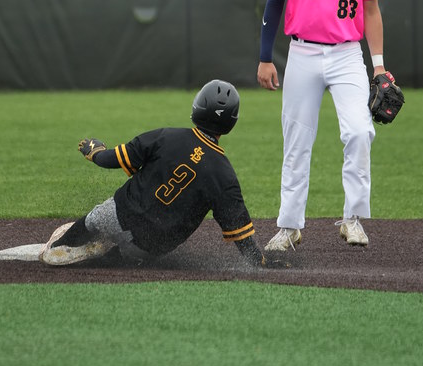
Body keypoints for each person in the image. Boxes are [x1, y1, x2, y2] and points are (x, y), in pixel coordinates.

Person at [257, 0, 388, 251]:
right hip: (303, 54)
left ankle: (353, 219)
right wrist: (266, 58)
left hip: (348, 54)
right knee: (297, 141)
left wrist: (378, 67)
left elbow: (373, 12)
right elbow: (273, 6)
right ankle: (289, 226)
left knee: (360, 132)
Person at [36, 79, 283, 270]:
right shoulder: (225, 175)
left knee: (92, 220)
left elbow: (110, 159)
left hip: (116, 216)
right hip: (149, 246)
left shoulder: (167, 136)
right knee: (118, 261)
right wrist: (261, 262)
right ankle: (104, 259)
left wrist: (95, 151)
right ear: (232, 122)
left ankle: (59, 247)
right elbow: (242, 237)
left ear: (198, 106)